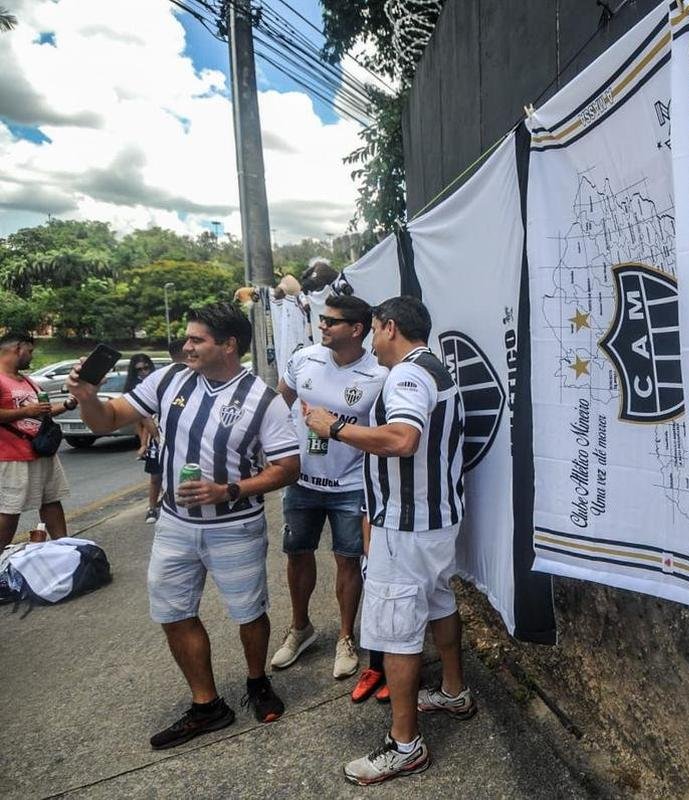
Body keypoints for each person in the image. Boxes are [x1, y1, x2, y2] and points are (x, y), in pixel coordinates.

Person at [67, 303, 301, 750]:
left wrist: (228, 490)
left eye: (197, 340)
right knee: (174, 613)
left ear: (228, 345)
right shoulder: (170, 378)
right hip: (174, 525)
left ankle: (257, 681)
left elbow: (288, 467)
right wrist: (87, 396)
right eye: (187, 339)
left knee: (248, 612)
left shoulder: (263, 399)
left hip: (235, 524)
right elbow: (107, 420)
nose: (185, 346)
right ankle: (207, 705)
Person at [304, 296, 472, 785]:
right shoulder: (434, 368)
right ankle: (454, 691)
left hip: (407, 525)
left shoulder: (407, 375)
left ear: (389, 327)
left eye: (374, 330)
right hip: (434, 520)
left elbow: (403, 439)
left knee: (398, 631)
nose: (373, 341)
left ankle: (405, 746)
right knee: (439, 602)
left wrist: (334, 427)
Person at [271, 295, 387, 681]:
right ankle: (300, 628)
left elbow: (382, 434)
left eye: (331, 321)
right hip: (301, 480)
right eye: (321, 319)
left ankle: (345, 637)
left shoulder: (378, 374)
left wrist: (337, 428)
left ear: (356, 330)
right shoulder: (304, 358)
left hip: (351, 484)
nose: (322, 326)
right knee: (297, 554)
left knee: (347, 560)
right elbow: (276, 404)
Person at [0, 331, 77, 549]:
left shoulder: (29, 381)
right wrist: (26, 411)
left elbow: (42, 412)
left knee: (51, 502)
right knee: (9, 510)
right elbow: (30, 411)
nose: (31, 356)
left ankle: (65, 549)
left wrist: (68, 405)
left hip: (41, 452)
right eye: (30, 351)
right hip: (12, 456)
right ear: (17, 349)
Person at [123, 354, 162, 523]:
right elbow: (140, 420)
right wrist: (144, 442)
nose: (144, 372)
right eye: (139, 369)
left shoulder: (159, 382)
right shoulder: (133, 390)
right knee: (155, 476)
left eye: (146, 368)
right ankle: (152, 508)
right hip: (154, 434)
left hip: (162, 431)